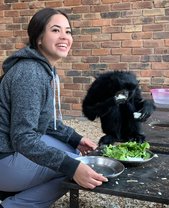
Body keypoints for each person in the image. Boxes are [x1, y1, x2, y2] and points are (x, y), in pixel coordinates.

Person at [0, 8, 107, 208]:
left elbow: (43, 121)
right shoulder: (30, 74)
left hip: (9, 149)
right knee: (76, 166)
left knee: (69, 148)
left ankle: (16, 190)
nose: (64, 37)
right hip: (3, 159)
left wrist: (76, 138)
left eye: (68, 31)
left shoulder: (41, 68)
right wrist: (72, 167)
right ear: (39, 38)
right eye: (56, 30)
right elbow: (23, 137)